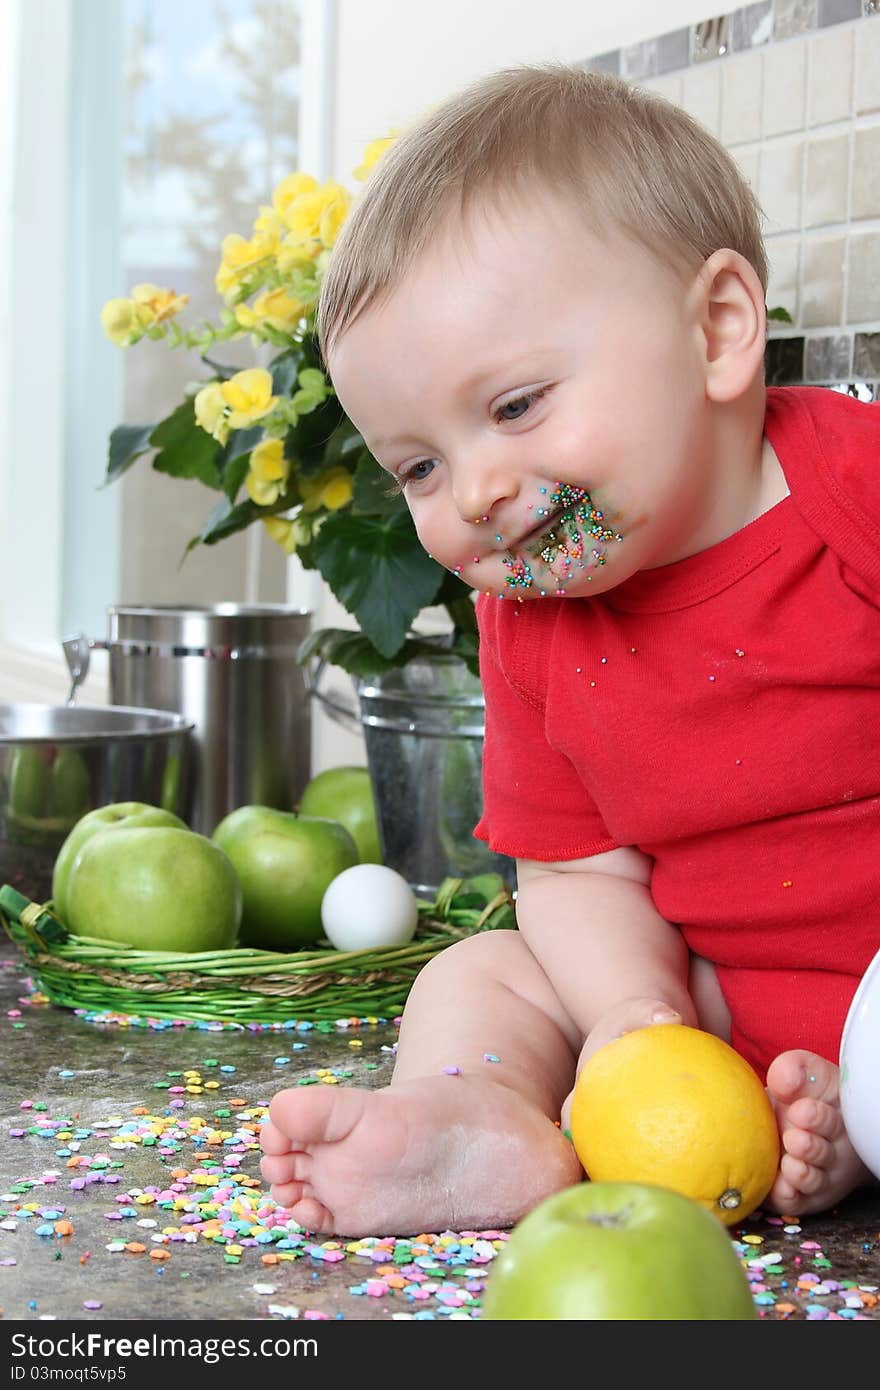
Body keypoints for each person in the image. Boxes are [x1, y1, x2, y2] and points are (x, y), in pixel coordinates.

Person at [260, 63, 879, 1237]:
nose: (478, 493)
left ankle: (852, 1117)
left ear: (717, 331)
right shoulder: (531, 621)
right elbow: (578, 871)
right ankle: (483, 1119)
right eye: (419, 468)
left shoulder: (855, 485)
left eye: (513, 408)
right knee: (482, 973)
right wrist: (635, 1020)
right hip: (712, 1003)